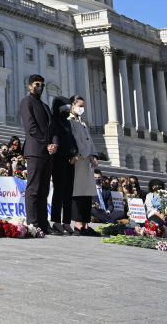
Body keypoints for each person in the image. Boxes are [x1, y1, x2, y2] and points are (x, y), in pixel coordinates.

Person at [19, 74, 56, 234]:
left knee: (44, 190)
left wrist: (54, 143)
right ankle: (33, 222)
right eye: (36, 84)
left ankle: (43, 223)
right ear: (29, 86)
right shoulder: (26, 102)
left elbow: (52, 128)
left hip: (47, 152)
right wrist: (46, 143)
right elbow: (31, 127)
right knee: (33, 188)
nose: (39, 87)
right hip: (35, 150)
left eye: (42, 85)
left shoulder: (45, 106)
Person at [66, 96, 100, 235]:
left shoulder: (83, 123)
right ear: (72, 106)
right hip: (79, 160)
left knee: (87, 194)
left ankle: (86, 224)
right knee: (78, 193)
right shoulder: (70, 122)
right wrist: (88, 154)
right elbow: (77, 140)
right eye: (79, 105)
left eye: (83, 106)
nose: (81, 109)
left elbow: (89, 141)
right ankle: (78, 224)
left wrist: (95, 155)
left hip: (87, 162)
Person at [49, 97, 76, 235]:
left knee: (68, 192)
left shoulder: (67, 122)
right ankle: (56, 221)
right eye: (64, 108)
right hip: (58, 159)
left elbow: (71, 140)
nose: (66, 110)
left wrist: (74, 153)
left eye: (68, 108)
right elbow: (53, 137)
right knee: (59, 192)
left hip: (70, 160)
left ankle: (66, 221)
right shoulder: (53, 120)